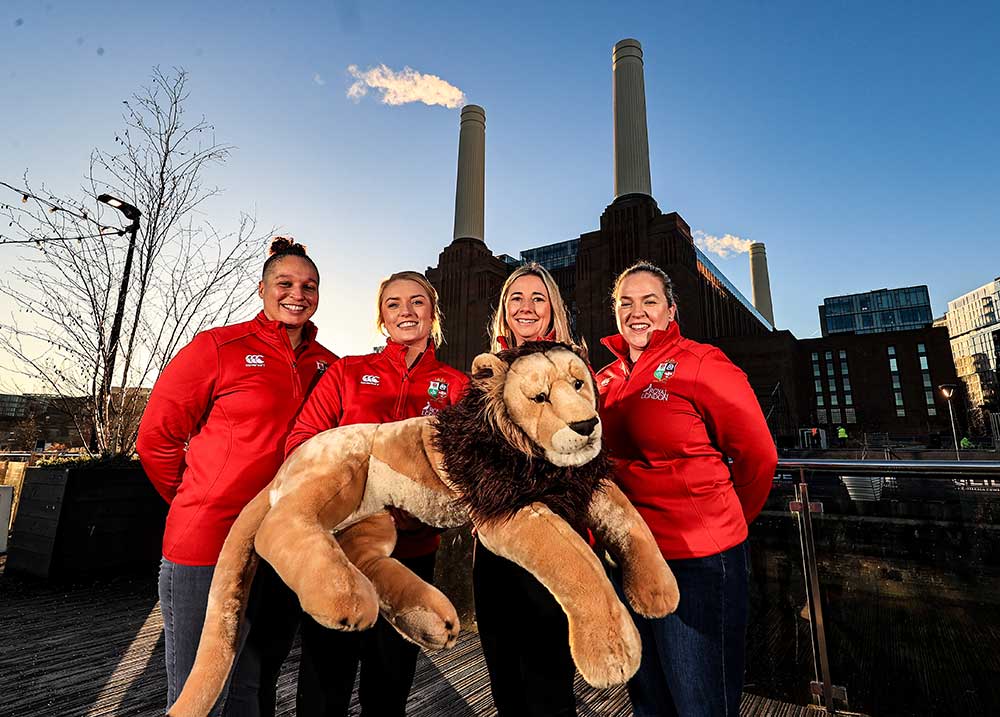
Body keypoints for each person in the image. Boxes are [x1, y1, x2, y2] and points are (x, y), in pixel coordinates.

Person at [136, 238, 337, 717]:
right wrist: (196, 498)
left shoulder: (328, 363)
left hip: (279, 547)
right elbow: (157, 438)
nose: (297, 293)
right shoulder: (217, 347)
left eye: (308, 286)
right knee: (197, 694)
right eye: (284, 283)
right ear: (263, 289)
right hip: (206, 543)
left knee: (252, 686)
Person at [596, 261, 778, 717]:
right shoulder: (604, 379)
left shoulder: (703, 363)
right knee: (648, 699)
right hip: (631, 558)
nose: (637, 312)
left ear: (671, 309)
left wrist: (724, 525)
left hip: (697, 563)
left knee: (700, 701)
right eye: (626, 303)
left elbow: (759, 456)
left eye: (649, 301)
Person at [285, 270, 469, 717]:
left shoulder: (458, 387)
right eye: (393, 304)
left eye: (417, 302)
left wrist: (425, 508)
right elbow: (302, 443)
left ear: (433, 314)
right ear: (381, 318)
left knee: (388, 687)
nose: (405, 311)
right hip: (340, 550)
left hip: (410, 556)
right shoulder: (348, 372)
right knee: (324, 679)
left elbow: (467, 472)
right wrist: (350, 499)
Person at [475, 262, 579, 717]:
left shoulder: (571, 369)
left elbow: (579, 454)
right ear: (503, 312)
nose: (526, 307)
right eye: (517, 299)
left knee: (548, 678)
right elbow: (467, 452)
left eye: (538, 298)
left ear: (553, 309)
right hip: (493, 542)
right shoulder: (487, 372)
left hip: (550, 541)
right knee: (504, 678)